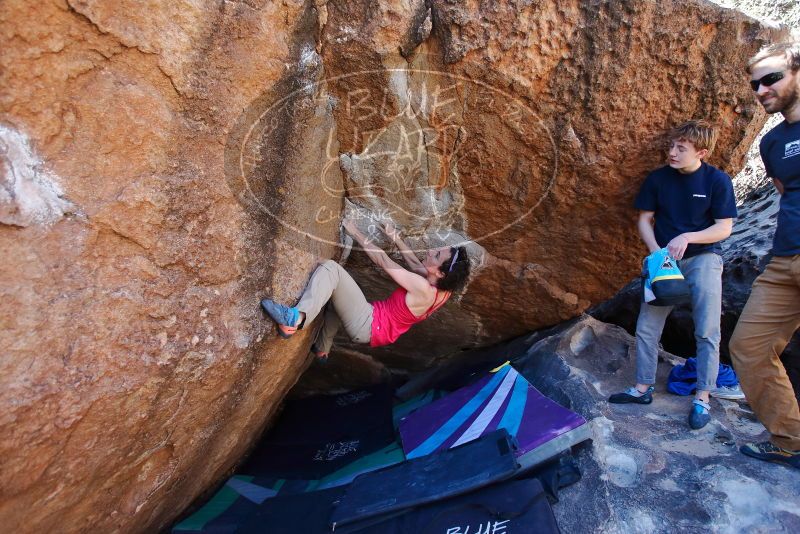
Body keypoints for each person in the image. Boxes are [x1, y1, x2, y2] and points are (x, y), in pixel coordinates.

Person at [608, 120, 738, 430]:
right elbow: (644, 219)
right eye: (672, 146)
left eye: (681, 149)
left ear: (701, 152)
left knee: (707, 329)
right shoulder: (658, 179)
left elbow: (724, 227)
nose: (672, 153)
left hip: (703, 259)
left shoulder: (717, 181)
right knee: (648, 326)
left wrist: (688, 237)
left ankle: (703, 397)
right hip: (663, 261)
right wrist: (656, 252)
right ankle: (642, 389)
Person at [729, 41, 800, 468]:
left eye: (771, 78)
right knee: (748, 346)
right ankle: (791, 440)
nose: (761, 90)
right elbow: (782, 194)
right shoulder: (772, 142)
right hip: (783, 260)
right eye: (755, 84)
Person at [260, 218, 470, 359]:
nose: (432, 251)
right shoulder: (443, 290)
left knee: (332, 270)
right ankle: (322, 347)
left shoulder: (424, 289)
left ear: (441, 272)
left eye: (437, 255)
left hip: (368, 324)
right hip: (374, 329)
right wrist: (394, 237)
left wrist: (355, 232)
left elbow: (382, 260)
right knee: (339, 295)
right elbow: (416, 265)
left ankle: (296, 320)